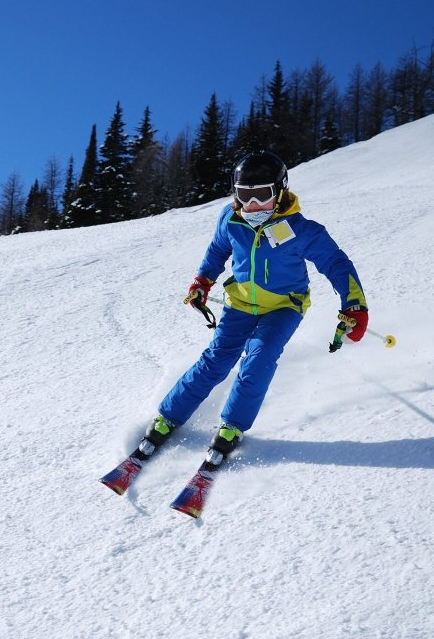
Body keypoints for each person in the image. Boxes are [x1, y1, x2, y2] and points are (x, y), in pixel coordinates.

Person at [135, 151, 369, 471]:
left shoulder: (302, 229)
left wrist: (354, 305)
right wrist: (202, 281)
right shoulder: (230, 219)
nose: (253, 205)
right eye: (245, 196)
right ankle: (168, 417)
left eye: (263, 195)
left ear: (281, 190)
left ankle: (232, 426)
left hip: (285, 306)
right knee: (215, 361)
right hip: (240, 304)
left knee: (258, 360)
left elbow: (336, 264)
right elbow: (218, 250)